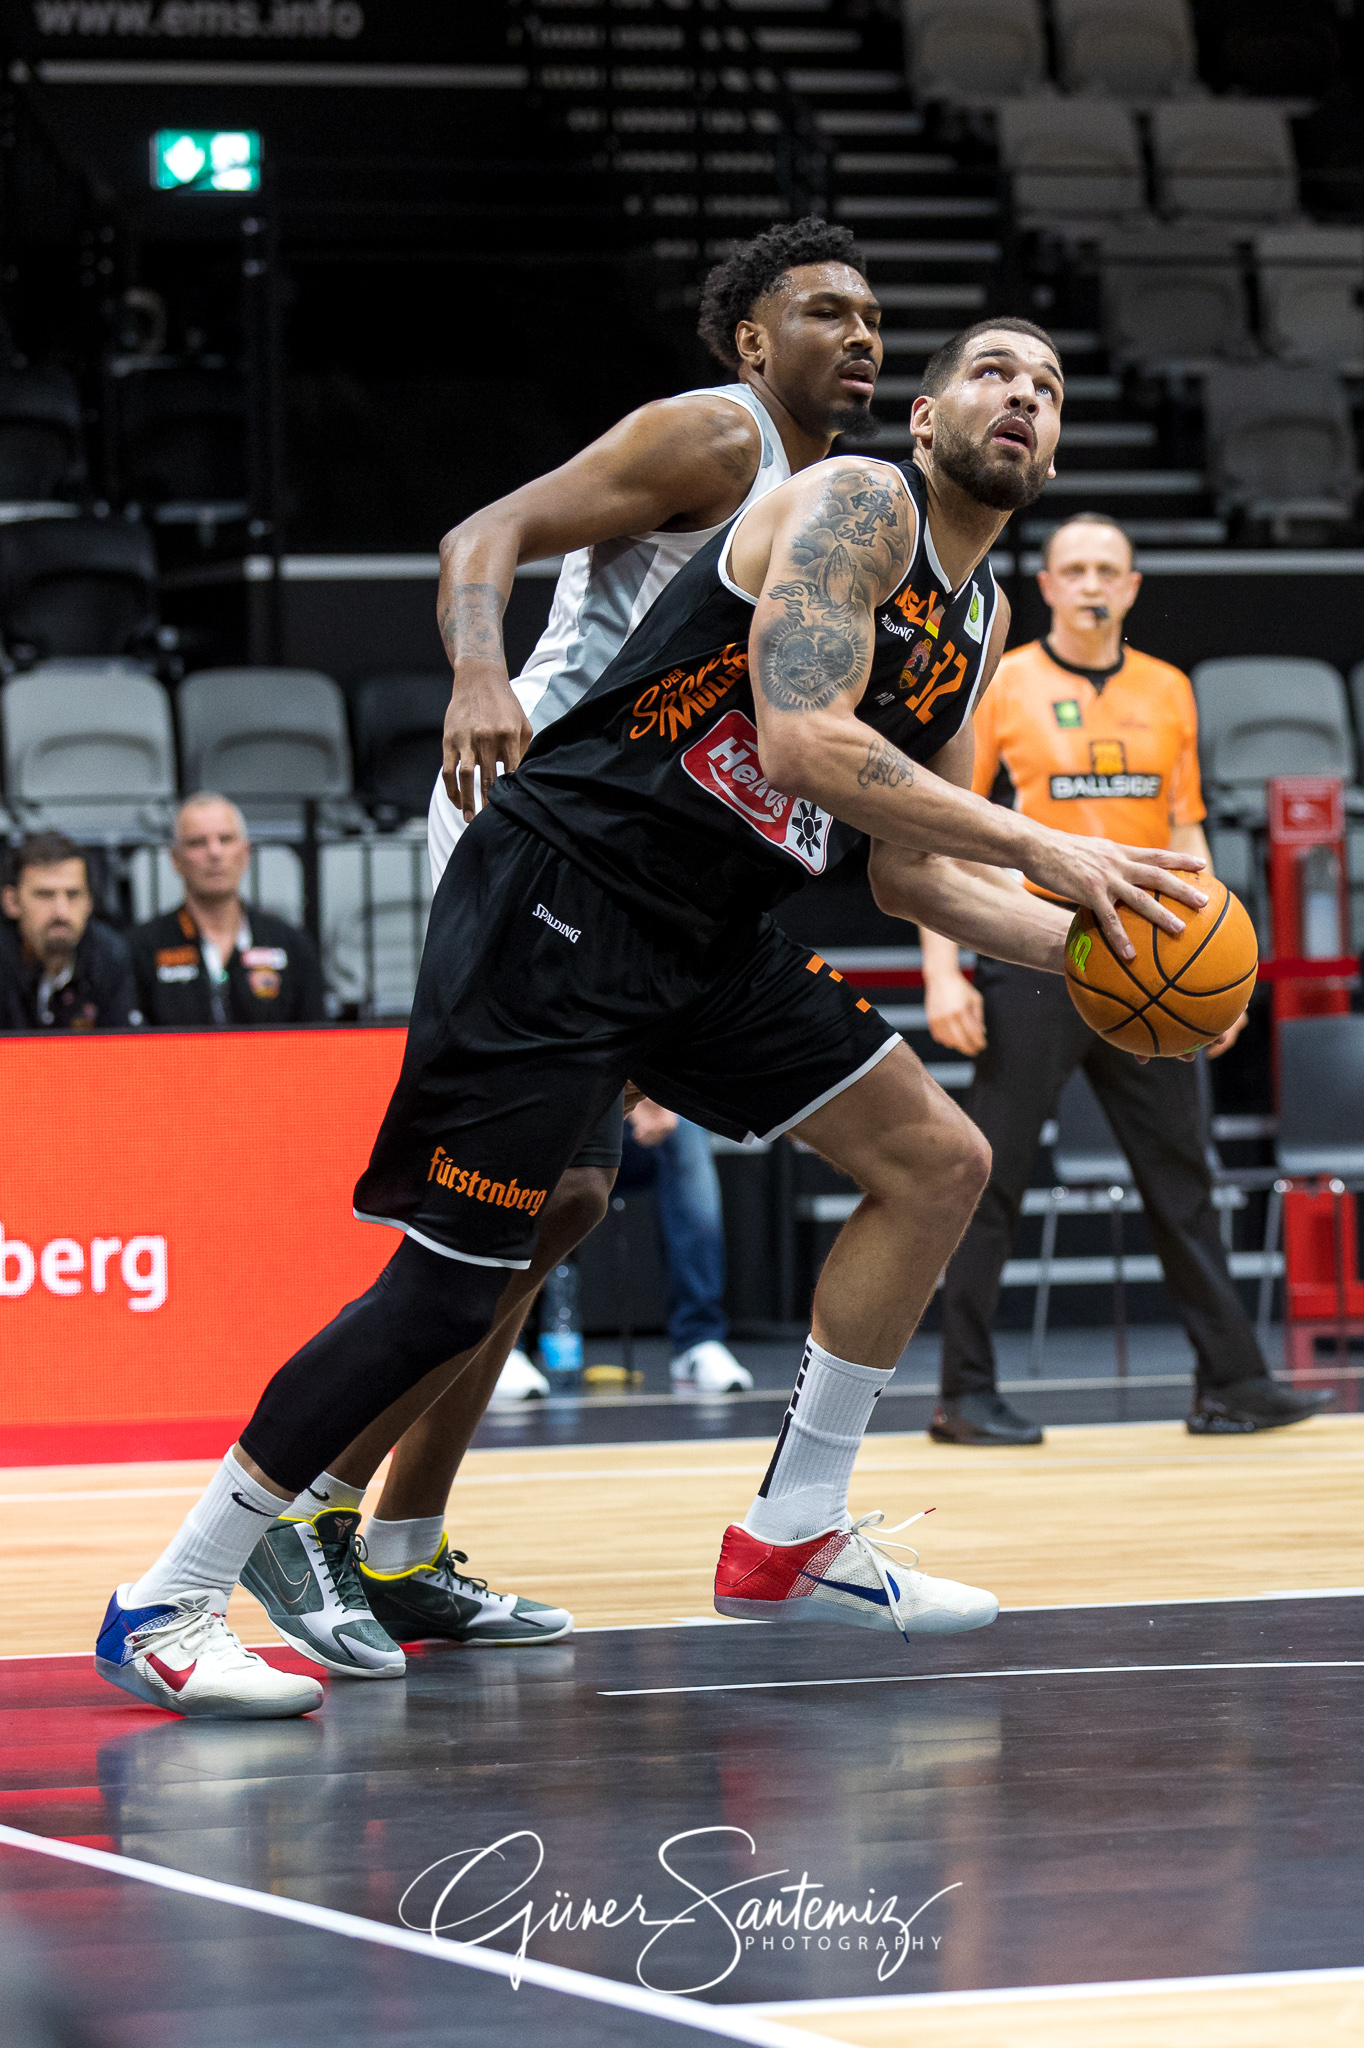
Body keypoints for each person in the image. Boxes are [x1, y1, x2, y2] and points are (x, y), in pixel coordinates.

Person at [95, 315, 1224, 1721]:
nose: (1025, 397)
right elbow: (809, 738)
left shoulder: (983, 619)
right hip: (566, 888)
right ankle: (170, 1596)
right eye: (992, 371)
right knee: (455, 1279)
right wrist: (1045, 844)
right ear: (924, 421)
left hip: (702, 931)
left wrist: (1100, 947)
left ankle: (790, 1531)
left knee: (936, 1160)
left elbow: (906, 866)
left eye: (1051, 387)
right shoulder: (858, 506)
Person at [228, 217, 896, 1681]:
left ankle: (402, 1549)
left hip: (631, 871)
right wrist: (478, 671)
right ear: (749, 340)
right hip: (532, 830)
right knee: (496, 1223)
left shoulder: (842, 505)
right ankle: (302, 1514)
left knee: (569, 1208)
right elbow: (484, 535)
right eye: (825, 311)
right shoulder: (719, 438)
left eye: (873, 316)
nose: (861, 335)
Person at [921, 512, 1333, 1444]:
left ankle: (1233, 1382)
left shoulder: (1171, 690)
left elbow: (1186, 832)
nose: (1094, 582)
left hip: (1156, 958)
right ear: (1053, 586)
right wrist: (944, 971)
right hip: (1037, 949)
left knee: (1183, 1176)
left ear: (1134, 586)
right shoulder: (1005, 683)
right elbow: (942, 830)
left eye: (1110, 568)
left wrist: (1220, 961)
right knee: (990, 1176)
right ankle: (963, 1392)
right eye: (1076, 568)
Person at [130, 793, 326, 1027]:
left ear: (245, 853)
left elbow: (317, 1044)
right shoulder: (140, 949)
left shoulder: (292, 945)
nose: (214, 853)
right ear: (176, 859)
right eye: (197, 843)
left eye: (225, 839)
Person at [621, 1097, 748, 1391]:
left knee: (686, 1129)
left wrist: (650, 1096)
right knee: (536, 1124)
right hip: (573, 1097)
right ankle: (503, 1343)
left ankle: (698, 1340)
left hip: (645, 1112)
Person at [0, 832, 138, 1032]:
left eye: (73, 895)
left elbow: (121, 1052)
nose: (61, 912)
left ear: (89, 902)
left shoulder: (110, 956)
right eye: (44, 895)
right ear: (11, 902)